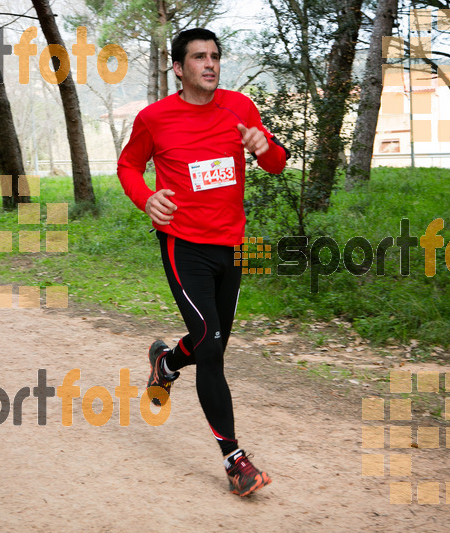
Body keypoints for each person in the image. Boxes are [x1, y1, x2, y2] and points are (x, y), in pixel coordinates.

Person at [117, 28, 290, 497]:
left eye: (215, 56)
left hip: (231, 245)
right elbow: (128, 166)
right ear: (179, 68)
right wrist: (147, 199)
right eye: (199, 57)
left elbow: (277, 163)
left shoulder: (240, 107)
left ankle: (166, 363)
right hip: (183, 245)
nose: (210, 64)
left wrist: (263, 147)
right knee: (211, 347)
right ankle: (236, 462)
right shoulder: (155, 119)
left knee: (208, 340)